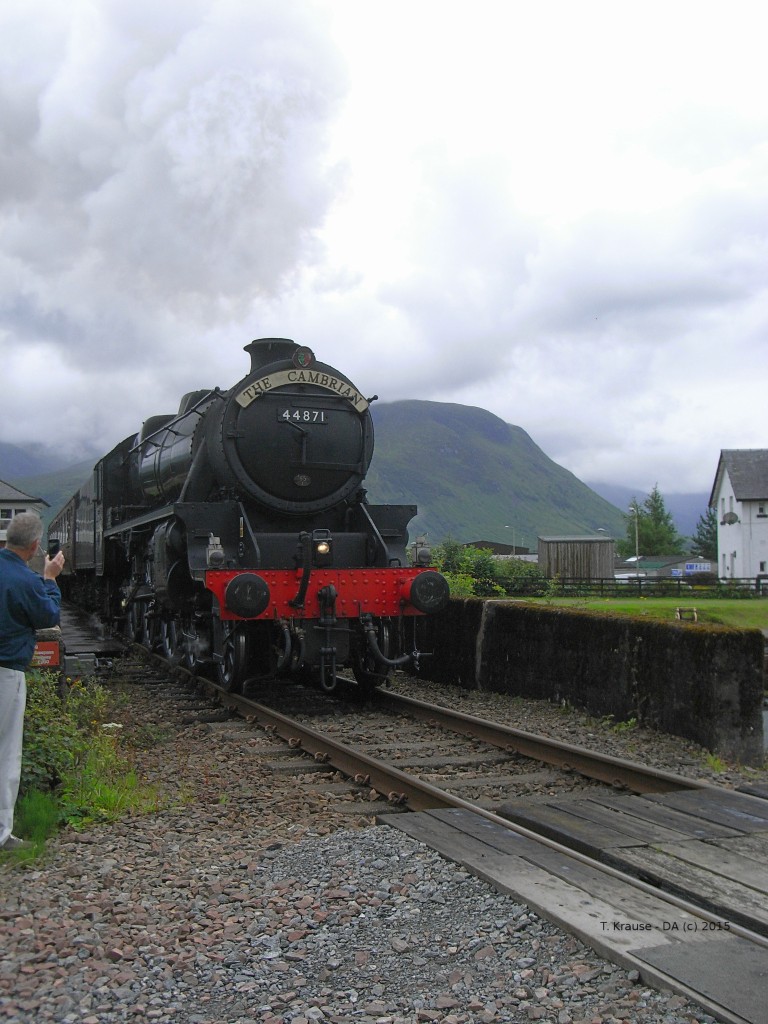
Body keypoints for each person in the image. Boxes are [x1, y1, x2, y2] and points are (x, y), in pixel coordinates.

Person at [0, 511, 65, 850]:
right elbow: (47, 615)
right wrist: (50, 578)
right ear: (35, 545)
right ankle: (1, 835)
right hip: (6, 671)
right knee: (6, 753)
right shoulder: (25, 580)